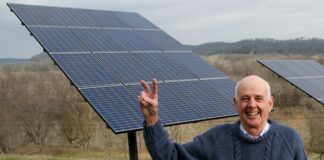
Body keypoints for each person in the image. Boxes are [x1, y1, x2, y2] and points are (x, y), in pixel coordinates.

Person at [138, 75, 307, 160]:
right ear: (235, 103)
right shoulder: (217, 139)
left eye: (259, 98)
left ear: (270, 103)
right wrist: (152, 118)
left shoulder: (289, 139)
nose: (252, 105)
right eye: (245, 98)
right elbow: (171, 156)